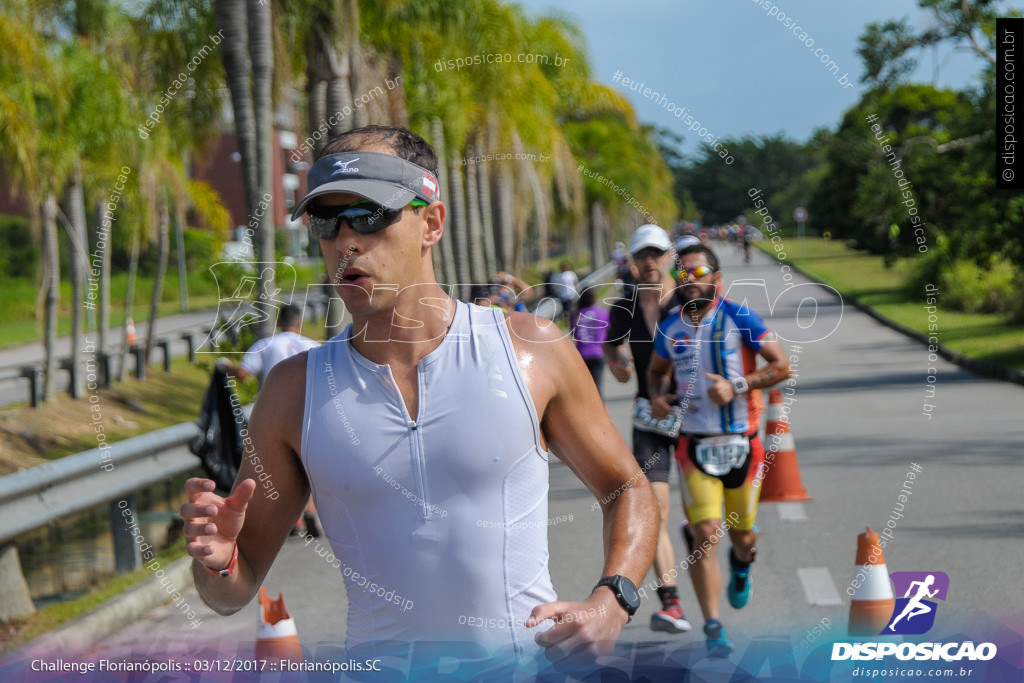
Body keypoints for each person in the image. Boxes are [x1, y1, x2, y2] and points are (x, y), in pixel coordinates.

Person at [181, 125, 657, 671]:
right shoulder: (294, 391)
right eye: (325, 221)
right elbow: (231, 593)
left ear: (431, 223)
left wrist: (613, 600)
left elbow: (627, 486)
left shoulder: (530, 351)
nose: (345, 241)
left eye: (368, 215)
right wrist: (217, 562)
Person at [647, 243, 790, 657]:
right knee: (706, 533)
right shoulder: (671, 327)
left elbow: (781, 365)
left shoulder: (739, 318)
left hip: (743, 445)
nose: (691, 279)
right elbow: (657, 373)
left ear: (717, 277)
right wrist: (658, 397)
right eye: (684, 273)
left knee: (742, 535)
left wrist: (737, 385)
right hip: (693, 445)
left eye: (700, 271)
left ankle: (742, 564)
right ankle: (713, 625)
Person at [603, 224, 692, 635]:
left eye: (657, 253)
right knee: (655, 511)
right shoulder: (623, 308)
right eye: (643, 255)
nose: (650, 261)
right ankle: (671, 603)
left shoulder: (690, 302)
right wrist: (619, 364)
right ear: (633, 262)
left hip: (698, 419)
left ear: (668, 256)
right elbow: (610, 349)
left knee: (707, 518)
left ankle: (733, 546)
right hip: (649, 420)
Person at [216, 304, 318, 384]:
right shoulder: (314, 346)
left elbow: (241, 373)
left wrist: (225, 365)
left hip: (274, 402)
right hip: (305, 404)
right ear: (300, 324)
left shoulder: (264, 344)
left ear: (278, 323)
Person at [570, 288, 610, 397]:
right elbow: (610, 333)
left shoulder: (575, 315)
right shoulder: (603, 313)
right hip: (598, 354)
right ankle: (600, 411)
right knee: (597, 387)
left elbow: (573, 335)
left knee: (583, 390)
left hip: (581, 355)